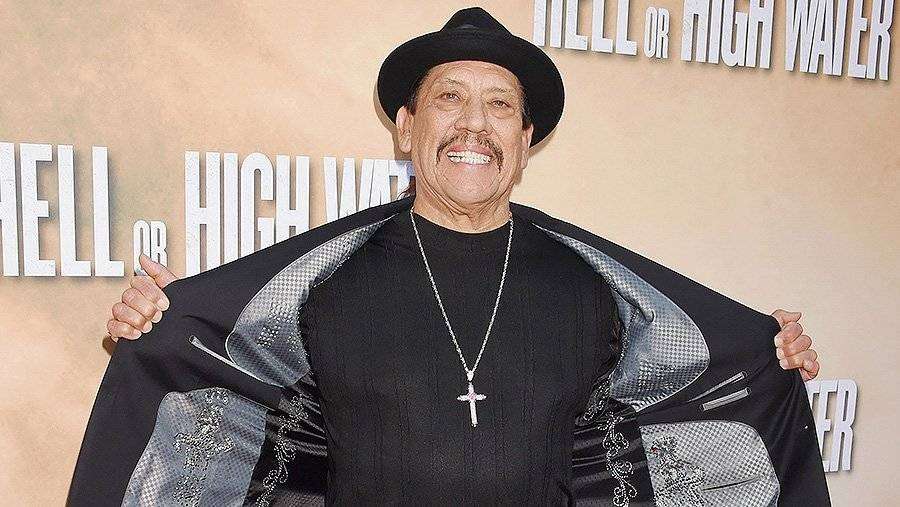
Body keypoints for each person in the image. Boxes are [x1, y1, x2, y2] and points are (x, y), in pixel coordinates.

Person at [70, 7, 828, 506]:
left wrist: (769, 355)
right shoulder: (318, 281)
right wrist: (162, 327)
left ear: (524, 142)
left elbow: (692, 404)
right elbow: (217, 401)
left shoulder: (601, 289)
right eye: (449, 98)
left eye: (499, 105)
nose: (474, 125)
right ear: (406, 128)